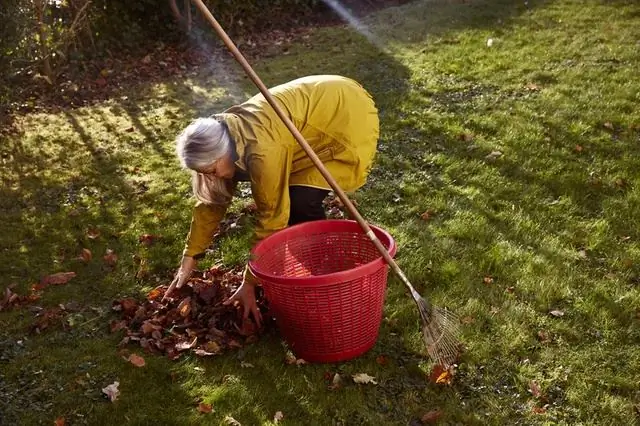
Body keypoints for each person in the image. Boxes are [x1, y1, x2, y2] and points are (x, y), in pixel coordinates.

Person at [164, 75, 380, 326]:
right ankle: (312, 270)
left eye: (211, 171)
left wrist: (249, 282)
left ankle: (324, 276)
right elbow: (211, 201)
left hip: (343, 114)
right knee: (296, 201)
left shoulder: (261, 149)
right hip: (310, 116)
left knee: (301, 203)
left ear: (221, 153)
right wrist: (190, 257)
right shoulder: (223, 137)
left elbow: (272, 217)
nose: (213, 177)